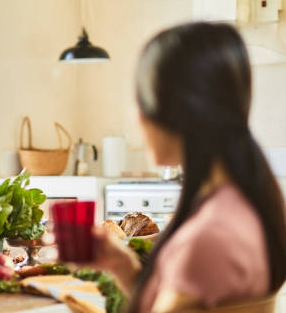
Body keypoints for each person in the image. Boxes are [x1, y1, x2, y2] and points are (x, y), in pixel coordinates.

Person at [87, 22, 286, 312]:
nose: (137, 117)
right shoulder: (246, 205)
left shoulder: (207, 239)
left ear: (174, 113)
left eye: (140, 102)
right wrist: (124, 268)